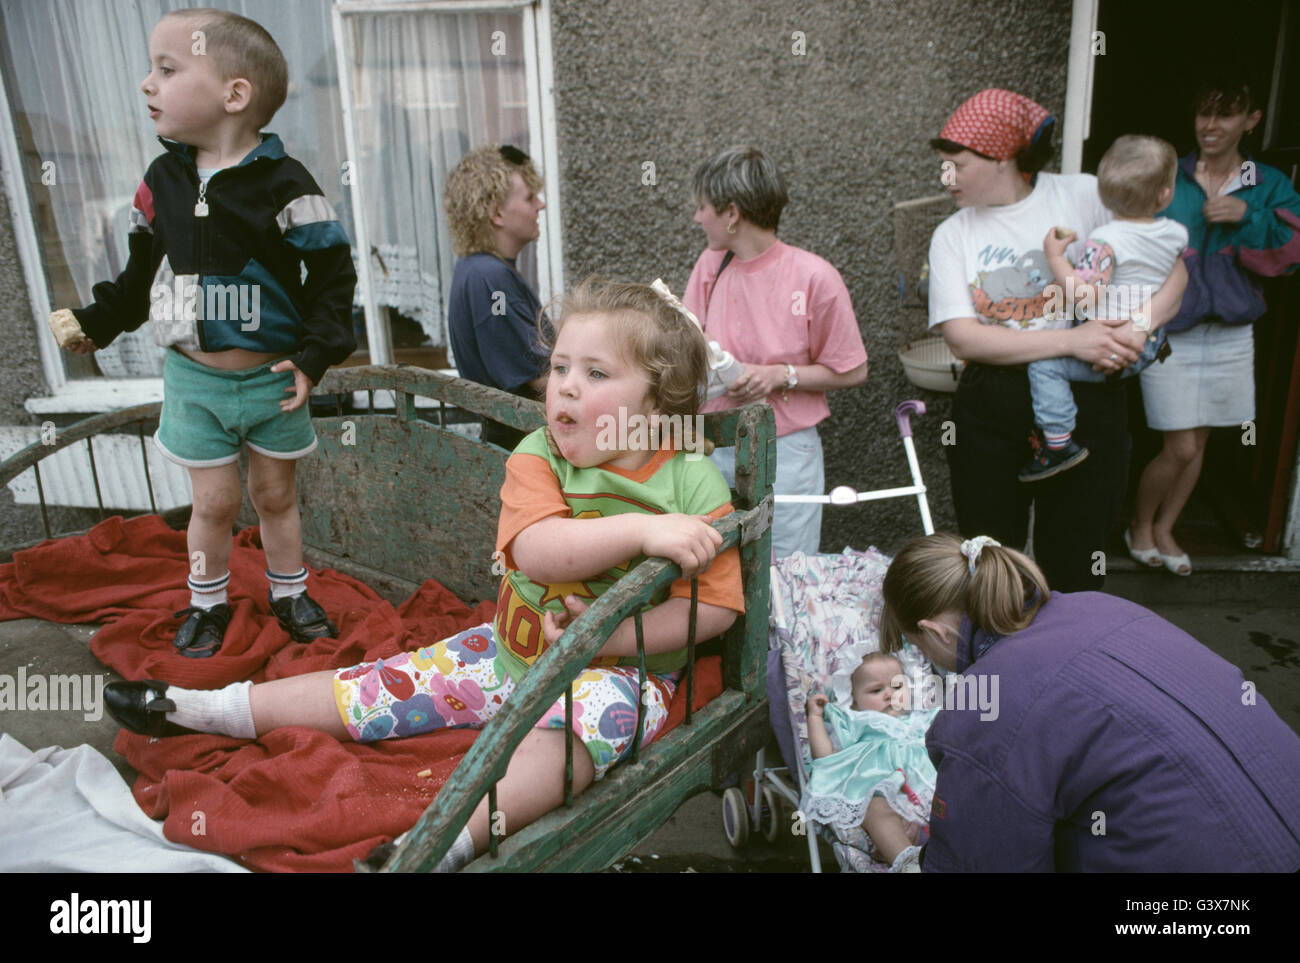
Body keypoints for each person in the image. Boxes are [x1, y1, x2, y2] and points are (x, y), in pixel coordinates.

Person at [104, 280, 746, 872]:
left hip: (624, 675)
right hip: (510, 653)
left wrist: (606, 642)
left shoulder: (692, 480)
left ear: (657, 402)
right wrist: (642, 532)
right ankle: (209, 710)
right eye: (558, 368)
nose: (566, 388)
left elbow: (714, 610)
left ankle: (440, 844)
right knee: (382, 683)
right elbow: (539, 552)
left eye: (595, 372)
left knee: (575, 743)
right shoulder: (539, 455)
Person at [52, 8, 356, 657]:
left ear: (233, 94)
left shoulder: (288, 184)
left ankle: (290, 591)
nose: (145, 84)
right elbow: (137, 279)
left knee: (275, 493)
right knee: (214, 503)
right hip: (194, 380)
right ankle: (206, 603)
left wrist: (313, 357)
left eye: (166, 69)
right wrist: (97, 323)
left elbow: (334, 276)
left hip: (274, 377)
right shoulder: (160, 183)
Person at [879, 532, 1300, 872]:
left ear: (936, 632)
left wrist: (901, 851)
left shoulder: (984, 703)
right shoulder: (1100, 604)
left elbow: (978, 862)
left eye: (917, 648)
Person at [927, 88, 1187, 592]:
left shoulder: (1084, 195)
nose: (946, 178)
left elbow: (1174, 271)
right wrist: (1071, 343)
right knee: (990, 563)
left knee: (1077, 561)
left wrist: (1139, 325)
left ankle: (1067, 665)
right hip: (993, 408)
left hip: (1090, 403)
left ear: (1002, 156)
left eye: (956, 164)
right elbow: (964, 339)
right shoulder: (952, 234)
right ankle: (992, 667)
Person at [1130, 75, 1300, 576]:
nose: (1210, 125)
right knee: (1178, 444)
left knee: (1198, 444)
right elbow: (1129, 236)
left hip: (1230, 332)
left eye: (1225, 115)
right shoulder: (1167, 175)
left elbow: (1292, 252)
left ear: (1251, 120)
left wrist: (1247, 216)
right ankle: (1140, 525)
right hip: (1169, 331)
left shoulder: (1266, 183)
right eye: (1204, 113)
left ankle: (1167, 528)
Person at [683, 146, 868, 559]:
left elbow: (852, 370)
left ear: (732, 213)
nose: (697, 217)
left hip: (785, 451)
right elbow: (688, 345)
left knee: (784, 568)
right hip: (713, 446)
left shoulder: (815, 276)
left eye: (702, 206)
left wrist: (781, 375)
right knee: (716, 569)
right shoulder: (710, 266)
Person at [1022, 135, 1187, 482]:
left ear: (1103, 193)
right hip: (1150, 341)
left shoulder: (1105, 241)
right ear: (1164, 195)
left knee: (1043, 364)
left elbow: (1085, 296)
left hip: (1110, 344)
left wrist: (1054, 256)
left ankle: (1057, 442)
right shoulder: (1175, 234)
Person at [444, 144, 549, 449]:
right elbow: (542, 378)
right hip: (525, 448)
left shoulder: (478, 270)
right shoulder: (490, 279)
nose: (540, 205)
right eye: (529, 198)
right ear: (496, 213)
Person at [803, 652, 938, 873]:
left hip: (931, 795)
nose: (889, 695)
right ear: (854, 700)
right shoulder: (858, 723)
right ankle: (906, 861)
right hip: (883, 797)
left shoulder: (922, 718)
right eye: (877, 690)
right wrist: (815, 717)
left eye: (897, 687)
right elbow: (827, 758)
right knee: (874, 808)